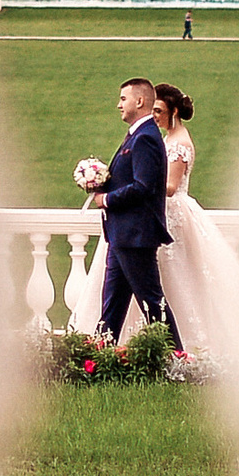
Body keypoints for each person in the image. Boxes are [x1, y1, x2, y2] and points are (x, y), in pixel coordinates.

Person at [145, 83, 239, 359]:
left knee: (178, 275)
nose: (154, 116)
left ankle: (188, 344)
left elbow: (171, 186)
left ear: (174, 111)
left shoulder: (179, 143)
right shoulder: (168, 138)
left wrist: (140, 181)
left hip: (173, 213)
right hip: (164, 211)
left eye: (159, 111)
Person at [85, 77, 172, 345]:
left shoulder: (145, 137)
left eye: (123, 99)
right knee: (112, 306)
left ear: (140, 101)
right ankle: (100, 355)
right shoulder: (138, 134)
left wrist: (107, 199)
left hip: (135, 236)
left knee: (153, 304)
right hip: (122, 235)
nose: (119, 105)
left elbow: (143, 186)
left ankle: (176, 357)